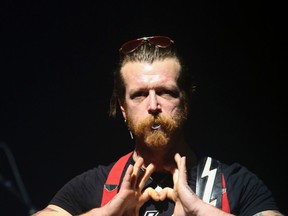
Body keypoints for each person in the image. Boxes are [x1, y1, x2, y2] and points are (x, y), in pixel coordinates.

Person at [33, 35, 284, 216]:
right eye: (139, 94)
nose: (153, 105)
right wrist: (106, 214)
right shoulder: (95, 185)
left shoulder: (235, 182)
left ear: (186, 101)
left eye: (165, 92)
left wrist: (201, 211)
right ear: (122, 107)